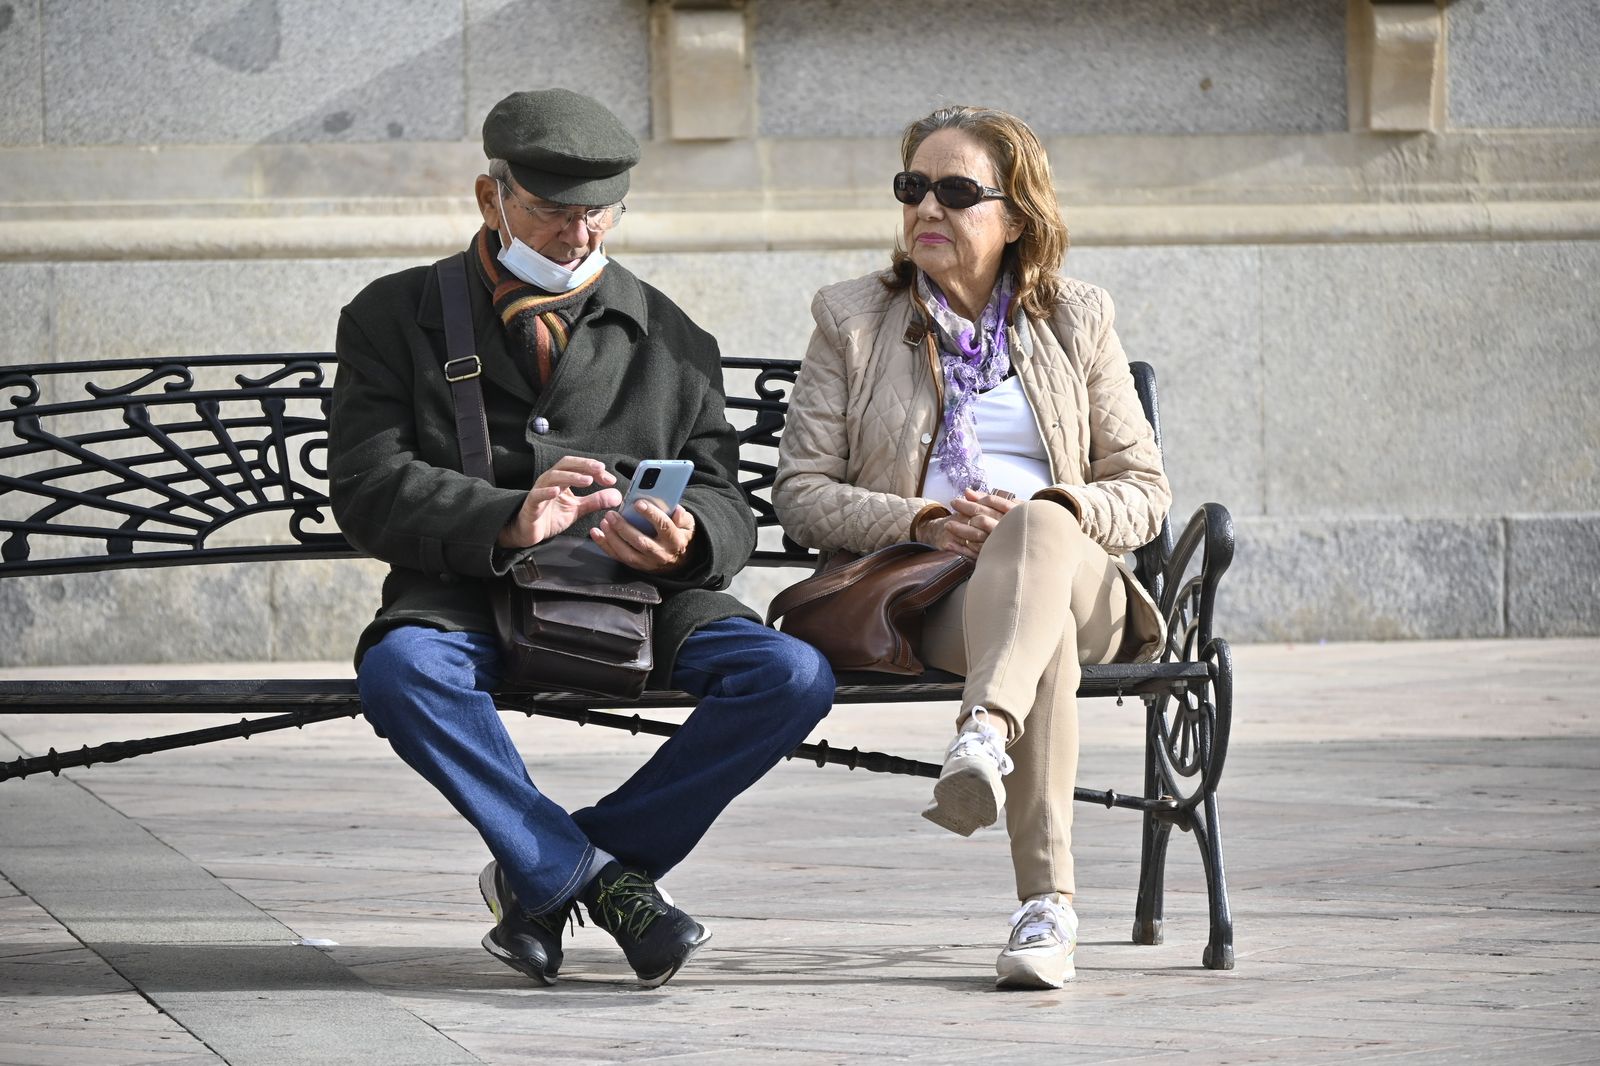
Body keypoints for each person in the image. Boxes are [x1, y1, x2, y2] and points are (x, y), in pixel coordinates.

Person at [329, 88, 834, 989]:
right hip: (468, 596)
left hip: (646, 598)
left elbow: (729, 502)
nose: (579, 237)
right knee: (402, 670)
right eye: (554, 214)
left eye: (598, 214)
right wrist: (507, 516)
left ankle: (546, 877)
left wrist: (685, 541)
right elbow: (367, 490)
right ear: (493, 199)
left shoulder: (673, 335)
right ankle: (605, 882)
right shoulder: (392, 314)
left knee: (790, 675)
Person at [772, 105, 1170, 990]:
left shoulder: (1077, 318)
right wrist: (922, 519)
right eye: (914, 188)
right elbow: (800, 494)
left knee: (1037, 526)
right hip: (937, 590)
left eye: (956, 192)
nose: (927, 210)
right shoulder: (854, 321)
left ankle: (983, 734)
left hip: (1083, 576)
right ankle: (1047, 909)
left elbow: (1143, 491)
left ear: (1016, 214)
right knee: (1041, 643)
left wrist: (1056, 510)